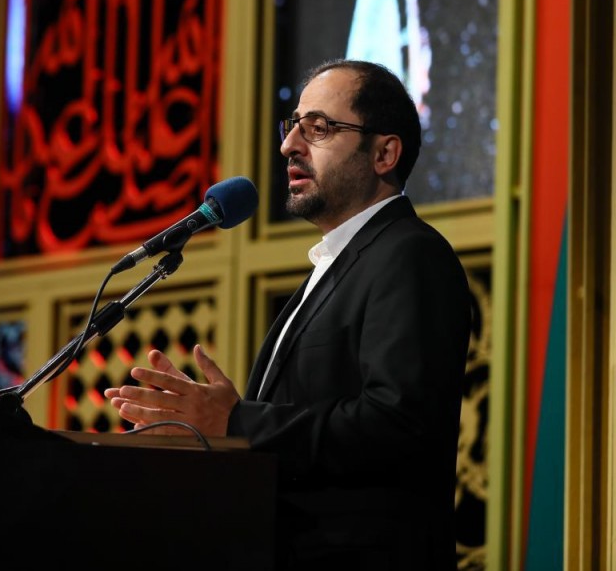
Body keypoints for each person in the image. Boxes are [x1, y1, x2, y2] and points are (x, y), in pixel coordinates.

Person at [104, 59, 471, 571]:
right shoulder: (336, 265)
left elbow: (398, 426)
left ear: (384, 154)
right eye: (293, 125)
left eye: (319, 128)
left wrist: (237, 421)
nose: (289, 146)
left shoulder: (410, 255)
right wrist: (210, 440)